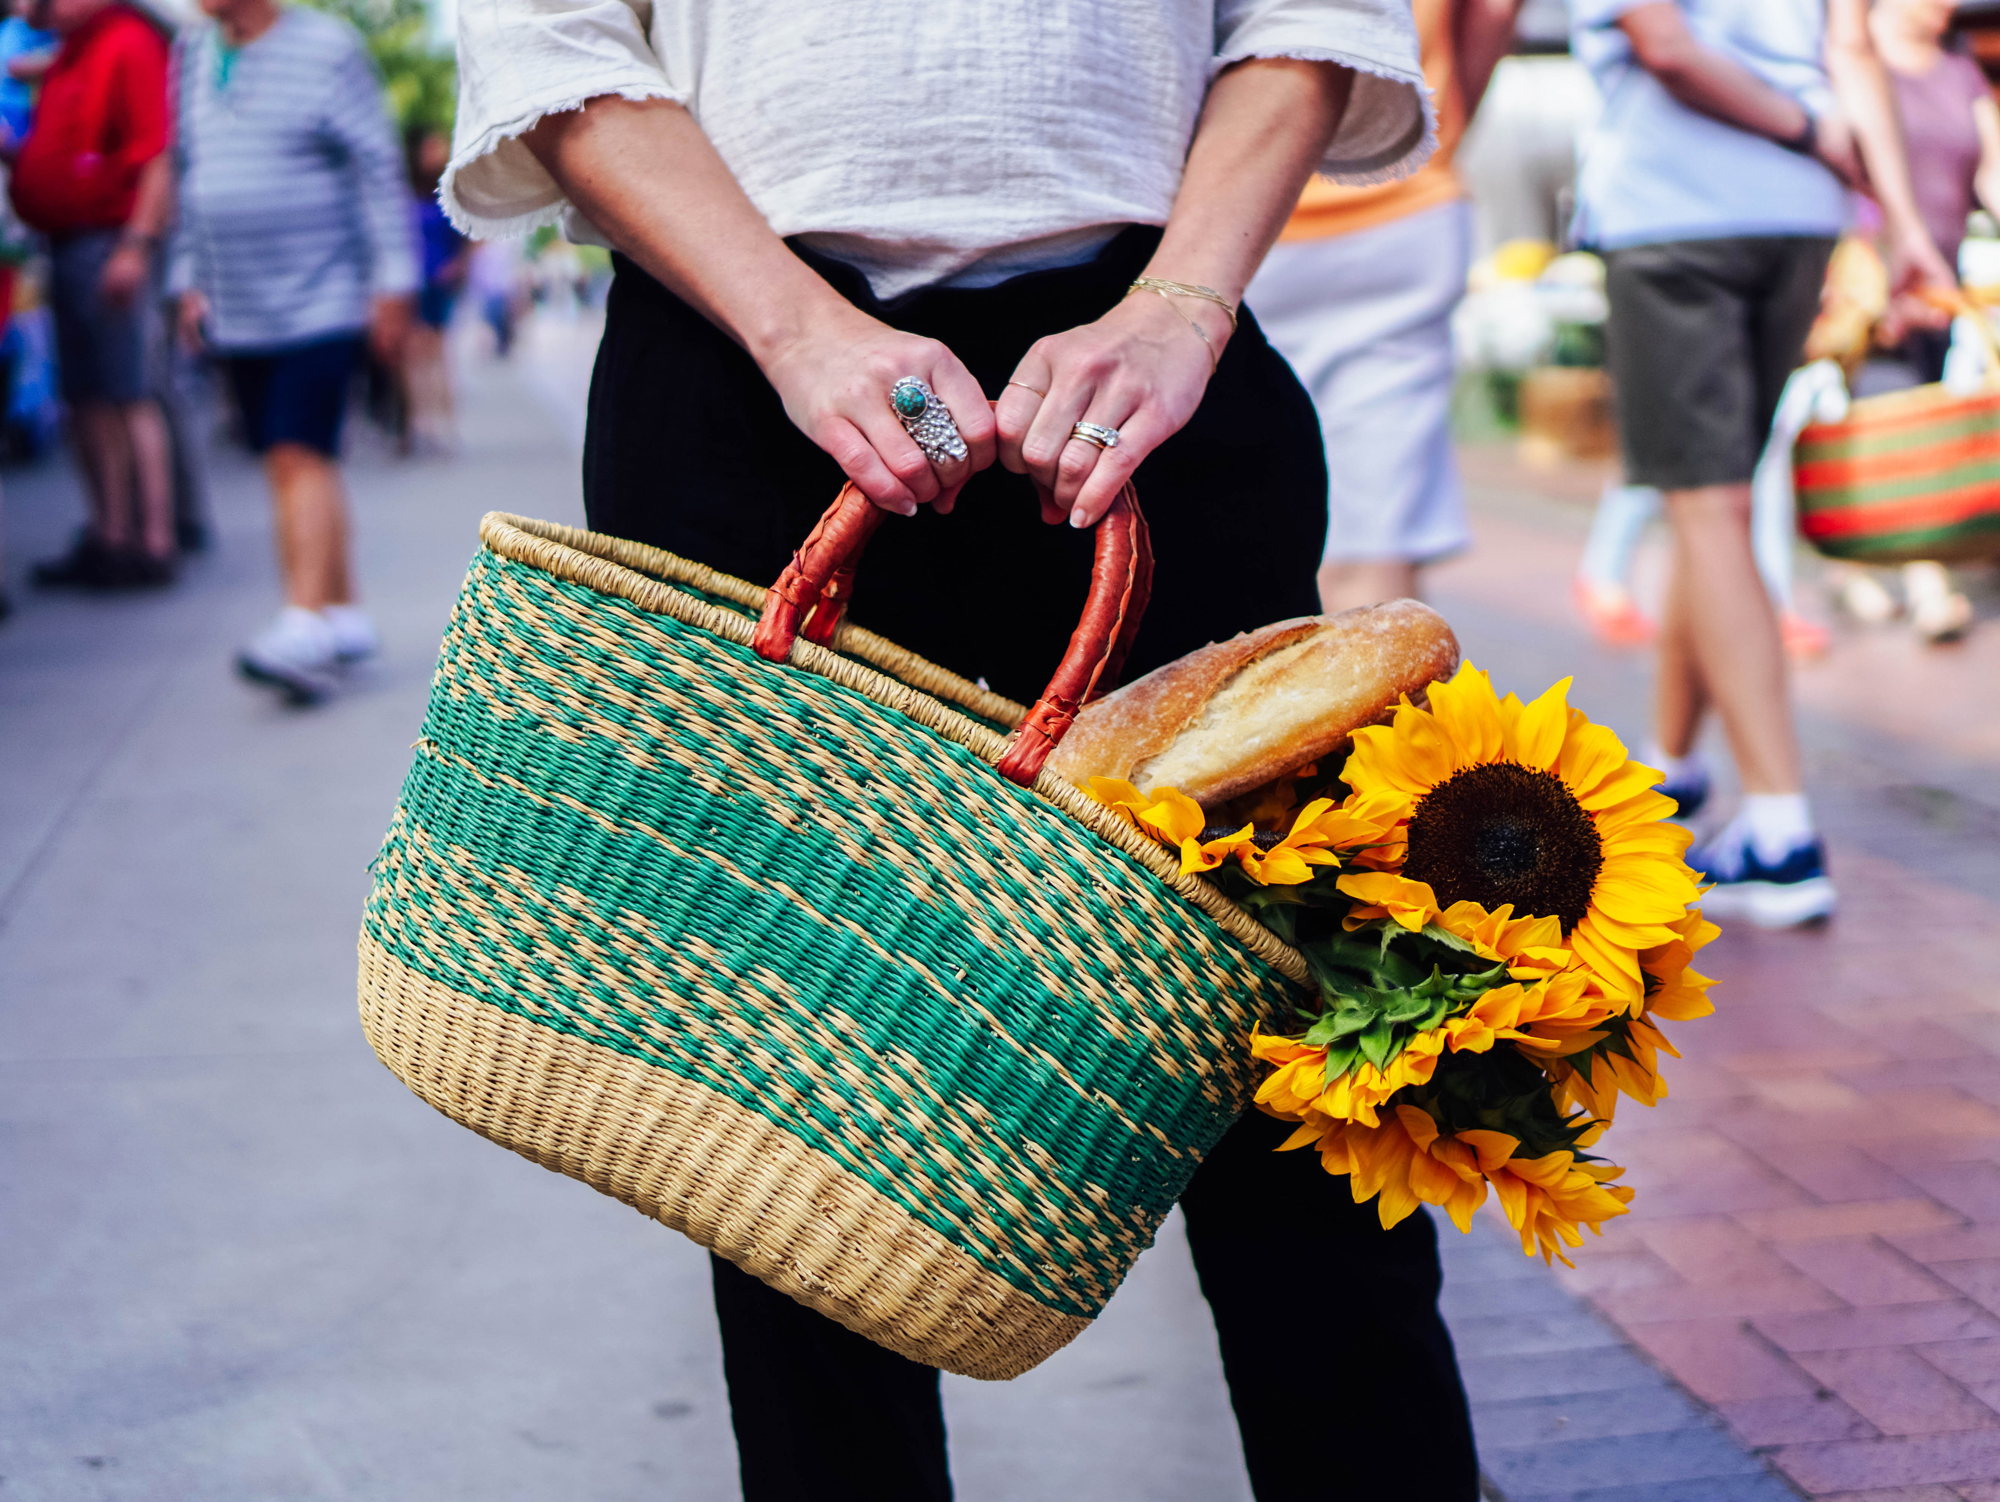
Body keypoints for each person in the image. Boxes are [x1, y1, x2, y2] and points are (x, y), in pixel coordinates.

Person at [446, 3, 1476, 1499]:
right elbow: (553, 40)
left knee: (1305, 1074)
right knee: (790, 1114)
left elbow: (1312, 18)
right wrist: (797, 327)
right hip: (746, 368)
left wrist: (1185, 300)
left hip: (1153, 366)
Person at [1569, 0, 1955, 928]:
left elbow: (1662, 44)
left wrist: (1805, 126)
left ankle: (1781, 837)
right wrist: (1904, 223)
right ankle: (1670, 770)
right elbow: (1851, 46)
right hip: (1797, 219)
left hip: (1674, 209)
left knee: (1709, 512)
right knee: (1716, 510)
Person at [168, 0, 416, 705]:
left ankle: (302, 621)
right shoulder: (191, 53)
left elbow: (376, 167)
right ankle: (343, 615)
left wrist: (393, 285)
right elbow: (192, 173)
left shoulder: (329, 48)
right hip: (238, 306)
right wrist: (188, 281)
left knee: (293, 453)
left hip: (322, 294)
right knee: (304, 457)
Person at [1247, 0, 1523, 613]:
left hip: (1237, 217)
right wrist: (1432, 142)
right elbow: (1495, 11)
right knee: (1375, 536)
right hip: (1399, 213)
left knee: (1237, 505)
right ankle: (1384, 707)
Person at [8, 0, 176, 591]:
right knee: (87, 398)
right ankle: (111, 535)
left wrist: (135, 244)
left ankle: (151, 542)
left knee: (128, 392)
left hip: (110, 241)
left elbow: (157, 153)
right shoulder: (70, 48)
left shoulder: (127, 40)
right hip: (70, 241)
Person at [402, 126, 467, 453]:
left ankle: (444, 426)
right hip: (412, 284)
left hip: (438, 283)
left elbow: (470, 240)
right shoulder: (407, 194)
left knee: (438, 355)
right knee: (414, 357)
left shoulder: (449, 194)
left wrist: (456, 266)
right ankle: (417, 424)